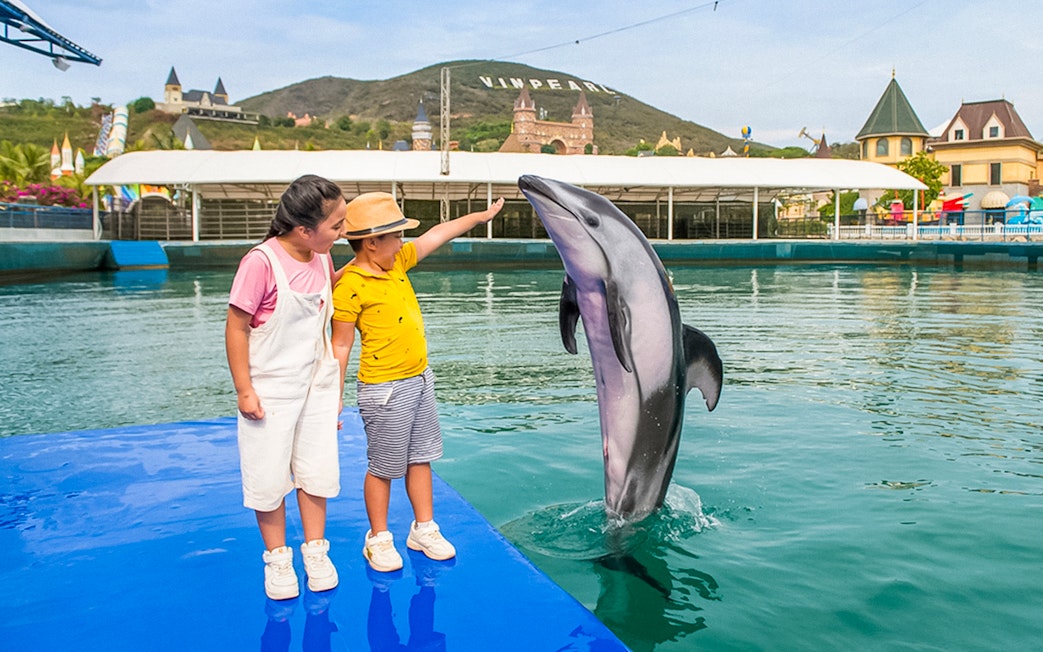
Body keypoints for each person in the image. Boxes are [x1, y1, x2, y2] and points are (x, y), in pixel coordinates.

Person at [331, 192, 504, 572]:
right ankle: (377, 537)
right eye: (396, 236)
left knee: (420, 457)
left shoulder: (396, 264)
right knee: (383, 467)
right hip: (384, 388)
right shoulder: (350, 285)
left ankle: (422, 527)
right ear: (372, 242)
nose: (403, 242)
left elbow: (436, 235)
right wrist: (333, 397)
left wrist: (478, 217)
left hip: (419, 379)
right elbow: (340, 344)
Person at [225, 174, 346, 600]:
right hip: (271, 389)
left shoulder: (322, 259)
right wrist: (244, 390)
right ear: (303, 229)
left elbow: (324, 310)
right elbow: (237, 327)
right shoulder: (260, 262)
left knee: (316, 471)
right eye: (336, 225)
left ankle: (315, 550)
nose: (342, 232)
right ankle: (278, 558)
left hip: (316, 385)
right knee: (269, 474)